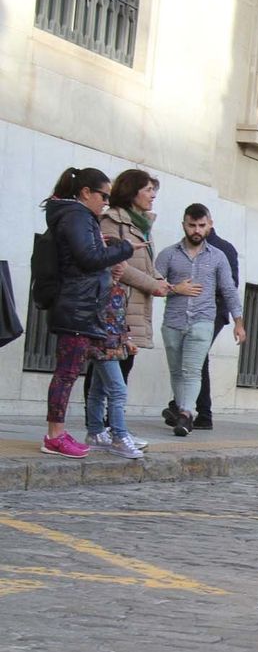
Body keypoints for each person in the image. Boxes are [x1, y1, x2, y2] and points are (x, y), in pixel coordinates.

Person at [40, 167, 133, 458]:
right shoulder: (77, 215)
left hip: (83, 307)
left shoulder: (77, 217)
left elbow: (85, 253)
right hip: (77, 307)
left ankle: (76, 431)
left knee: (79, 371)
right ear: (85, 193)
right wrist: (125, 249)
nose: (105, 202)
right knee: (66, 373)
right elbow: (88, 258)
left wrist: (106, 244)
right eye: (103, 196)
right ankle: (54, 435)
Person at [87, 169, 181, 443]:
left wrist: (162, 281)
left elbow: (146, 265)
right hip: (116, 305)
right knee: (106, 373)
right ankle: (105, 429)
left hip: (135, 307)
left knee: (121, 368)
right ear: (133, 191)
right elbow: (115, 263)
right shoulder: (111, 221)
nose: (153, 197)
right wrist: (152, 284)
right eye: (149, 190)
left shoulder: (141, 225)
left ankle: (108, 428)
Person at [154, 205, 246, 437]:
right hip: (173, 321)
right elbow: (153, 283)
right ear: (183, 224)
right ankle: (183, 411)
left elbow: (229, 289)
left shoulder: (218, 256)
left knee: (192, 369)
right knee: (176, 371)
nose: (196, 230)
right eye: (192, 225)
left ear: (210, 224)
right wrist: (176, 288)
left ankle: (185, 413)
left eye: (201, 225)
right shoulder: (169, 254)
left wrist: (238, 322)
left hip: (203, 320)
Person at [84, 222, 143, 460]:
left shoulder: (117, 287)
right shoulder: (98, 285)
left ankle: (96, 431)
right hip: (102, 346)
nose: (122, 267)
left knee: (98, 391)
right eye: (118, 261)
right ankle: (119, 435)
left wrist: (126, 339)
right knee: (118, 391)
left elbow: (117, 319)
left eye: (124, 261)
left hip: (113, 347)